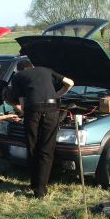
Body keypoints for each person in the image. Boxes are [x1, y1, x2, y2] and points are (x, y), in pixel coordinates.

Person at [11, 59, 74, 198]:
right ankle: (41, 189)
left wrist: (22, 115)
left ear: (19, 70)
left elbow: (22, 103)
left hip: (33, 110)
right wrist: (57, 95)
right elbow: (70, 83)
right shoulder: (46, 70)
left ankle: (34, 184)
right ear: (32, 66)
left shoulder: (18, 76)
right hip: (52, 109)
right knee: (47, 149)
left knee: (32, 147)